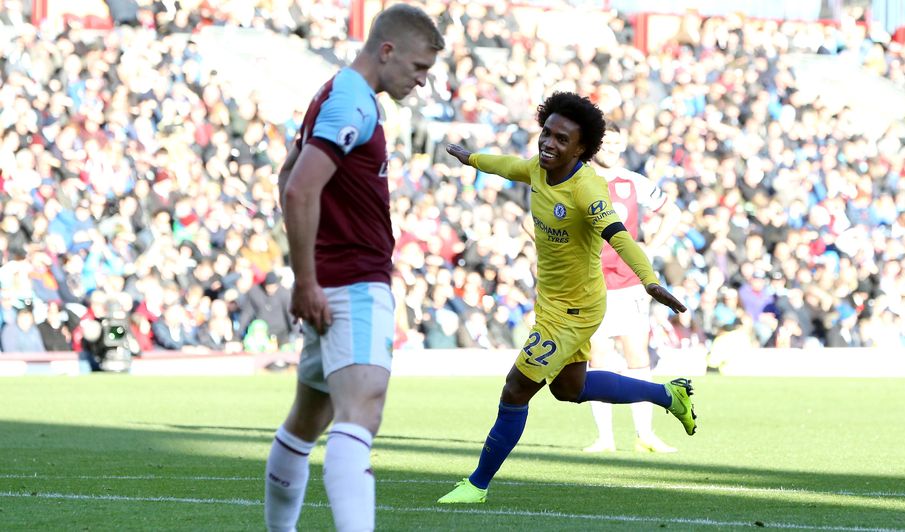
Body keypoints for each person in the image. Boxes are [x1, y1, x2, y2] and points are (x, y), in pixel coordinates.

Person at [438, 92, 695, 505]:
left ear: (581, 150)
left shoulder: (588, 190)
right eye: (546, 133)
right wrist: (471, 159)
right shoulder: (539, 171)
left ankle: (476, 485)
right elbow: (506, 167)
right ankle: (669, 395)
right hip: (554, 303)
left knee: (515, 389)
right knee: (569, 389)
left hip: (575, 311)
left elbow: (619, 235)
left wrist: (648, 280)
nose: (548, 144)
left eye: (561, 139)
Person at [264, 5, 444, 532]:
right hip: (352, 282)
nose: (421, 81)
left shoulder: (334, 92)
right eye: (417, 68)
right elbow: (299, 187)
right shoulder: (351, 101)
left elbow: (287, 175)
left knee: (306, 422)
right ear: (386, 51)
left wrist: (312, 270)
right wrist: (307, 279)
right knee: (362, 413)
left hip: (334, 280)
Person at [583, 122, 683, 455]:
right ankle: (604, 438)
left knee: (636, 355)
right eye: (606, 143)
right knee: (599, 357)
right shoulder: (577, 179)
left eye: (616, 143)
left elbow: (673, 212)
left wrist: (651, 248)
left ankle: (645, 434)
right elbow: (535, 220)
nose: (611, 148)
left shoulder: (633, 182)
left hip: (628, 283)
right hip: (590, 282)